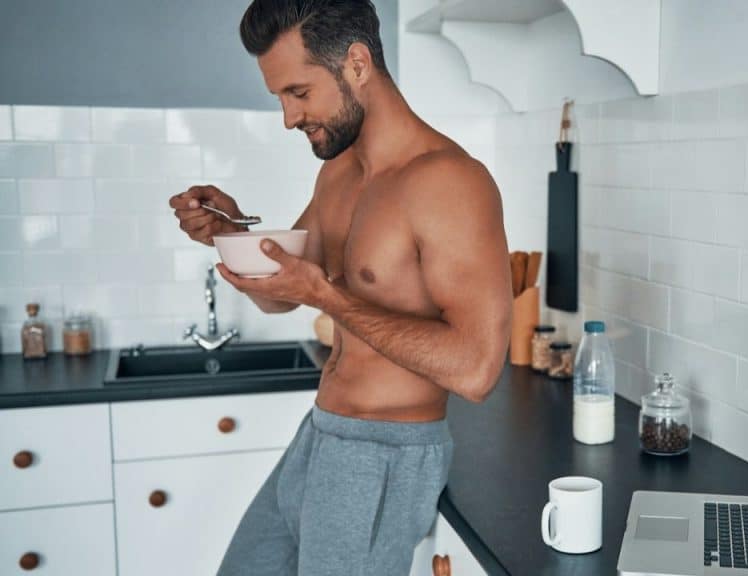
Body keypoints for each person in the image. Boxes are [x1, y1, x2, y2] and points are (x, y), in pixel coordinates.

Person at [167, 1, 512, 574]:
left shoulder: (450, 182)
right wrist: (227, 236)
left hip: (384, 455)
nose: (288, 117)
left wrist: (326, 295)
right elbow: (282, 292)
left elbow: (476, 370)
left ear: (356, 63)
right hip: (320, 433)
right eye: (280, 97)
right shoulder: (339, 171)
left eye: (299, 92)